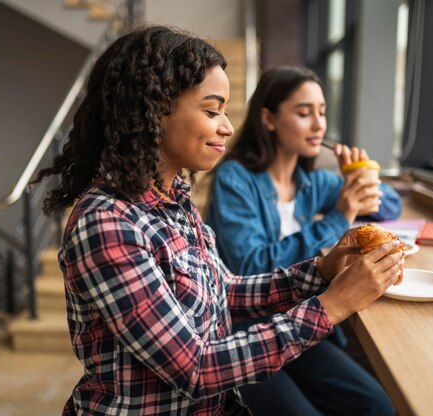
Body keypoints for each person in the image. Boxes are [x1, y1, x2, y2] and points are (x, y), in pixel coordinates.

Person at [33, 25, 403, 416]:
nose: (226, 126)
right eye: (212, 111)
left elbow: (223, 293)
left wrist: (322, 270)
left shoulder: (173, 201)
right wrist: (332, 304)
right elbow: (194, 368)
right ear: (153, 111)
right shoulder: (107, 223)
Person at [206, 66, 402, 415]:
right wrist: (340, 216)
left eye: (322, 112)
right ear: (268, 119)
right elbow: (248, 266)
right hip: (245, 330)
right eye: (304, 112)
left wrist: (357, 175)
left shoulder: (312, 182)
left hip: (301, 322)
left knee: (378, 407)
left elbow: (390, 203)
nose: (318, 125)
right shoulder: (234, 178)